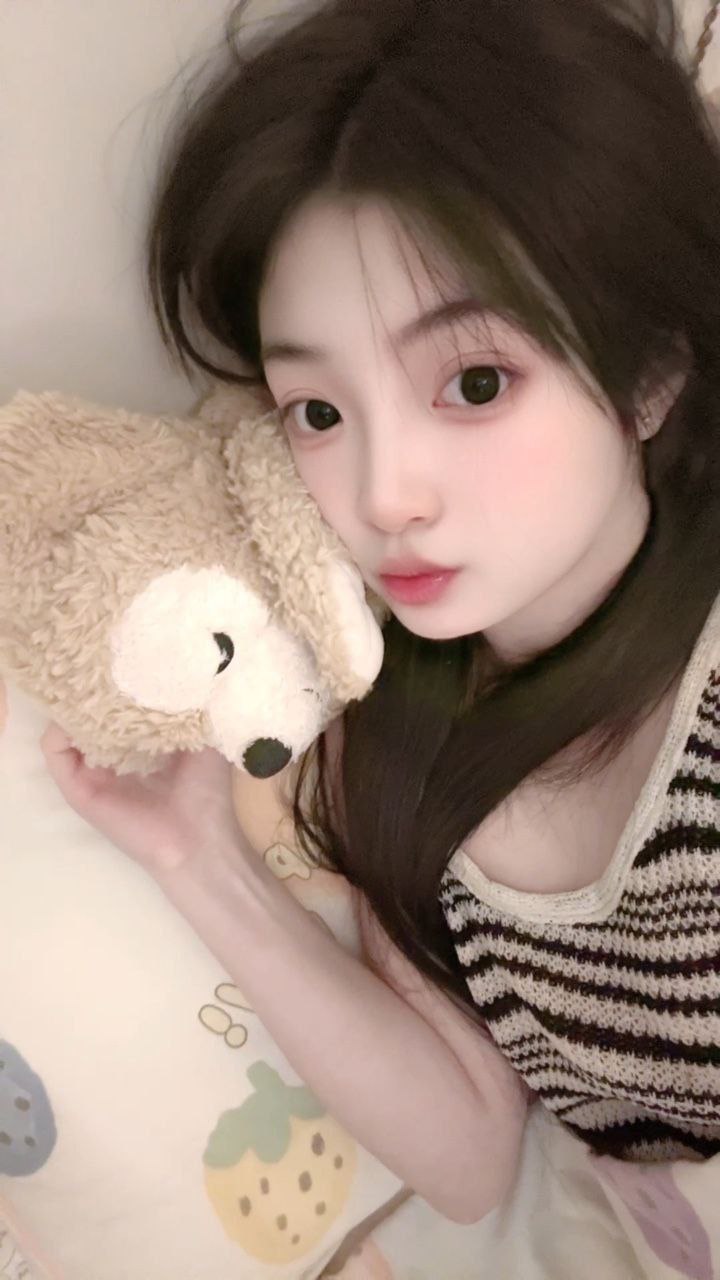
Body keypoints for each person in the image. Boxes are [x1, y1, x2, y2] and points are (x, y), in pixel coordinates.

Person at [42, 0, 719, 1223]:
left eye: (476, 381)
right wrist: (199, 857)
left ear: (650, 372)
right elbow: (467, 1160)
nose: (383, 494)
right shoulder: (386, 739)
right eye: (318, 411)